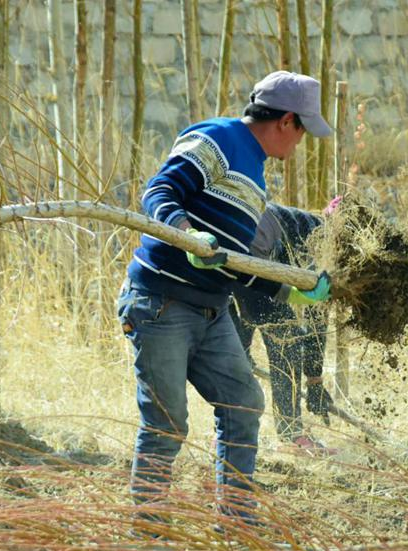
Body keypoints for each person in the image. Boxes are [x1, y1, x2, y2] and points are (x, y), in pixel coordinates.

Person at [117, 71, 333, 524]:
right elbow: (158, 191)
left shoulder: (255, 177)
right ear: (286, 121)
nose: (300, 144)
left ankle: (236, 520)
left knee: (243, 404)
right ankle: (149, 532)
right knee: (167, 424)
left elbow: (232, 264)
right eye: (302, 132)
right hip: (161, 303)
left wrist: (291, 292)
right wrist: (187, 235)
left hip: (211, 310)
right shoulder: (217, 139)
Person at [230, 201, 337, 455]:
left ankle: (229, 434)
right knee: (288, 341)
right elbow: (315, 317)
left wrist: (313, 381)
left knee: (233, 350)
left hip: (226, 258)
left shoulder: (300, 222)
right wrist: (314, 381)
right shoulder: (321, 241)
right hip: (248, 260)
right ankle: (292, 436)